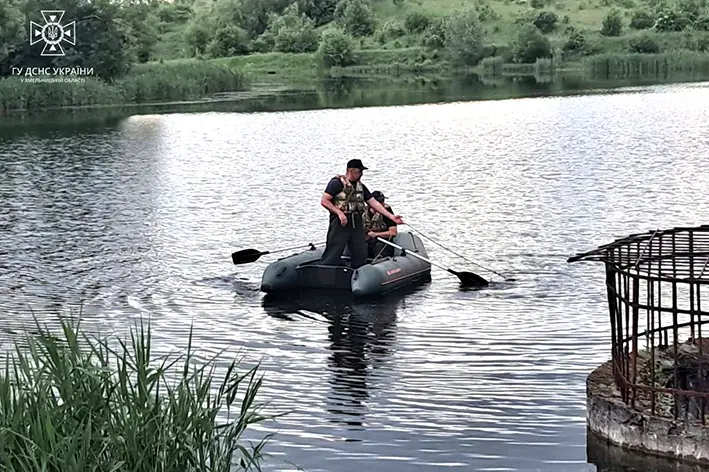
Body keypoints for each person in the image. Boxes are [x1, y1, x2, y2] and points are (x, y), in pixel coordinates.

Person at [320, 159, 404, 269]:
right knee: (334, 249)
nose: (362, 174)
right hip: (341, 222)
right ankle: (327, 272)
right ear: (351, 171)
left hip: (357, 222)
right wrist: (339, 213)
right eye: (359, 171)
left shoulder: (361, 187)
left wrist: (391, 216)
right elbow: (324, 201)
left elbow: (373, 202)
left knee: (360, 251)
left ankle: (357, 273)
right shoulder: (336, 183)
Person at [363, 190, 397, 259]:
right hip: (367, 241)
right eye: (379, 201)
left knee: (379, 246)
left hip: (383, 241)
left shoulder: (387, 211)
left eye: (383, 201)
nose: (382, 204)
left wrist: (376, 234)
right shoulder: (363, 212)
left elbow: (393, 232)